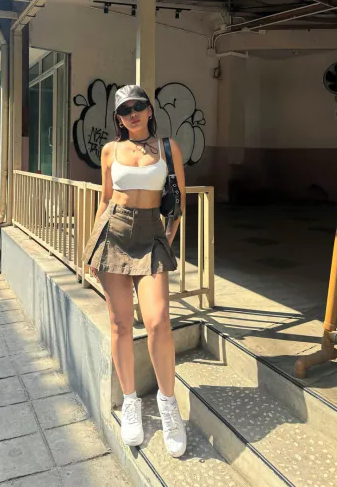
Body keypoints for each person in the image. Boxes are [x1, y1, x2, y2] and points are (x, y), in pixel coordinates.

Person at [82, 85, 187, 458]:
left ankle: (168, 404)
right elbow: (105, 199)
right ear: (118, 118)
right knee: (120, 324)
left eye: (138, 106)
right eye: (125, 110)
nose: (133, 114)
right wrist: (91, 250)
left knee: (158, 321)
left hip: (151, 234)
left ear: (149, 109)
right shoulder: (110, 151)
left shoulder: (168, 147)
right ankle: (130, 401)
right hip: (114, 233)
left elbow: (178, 202)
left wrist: (168, 237)